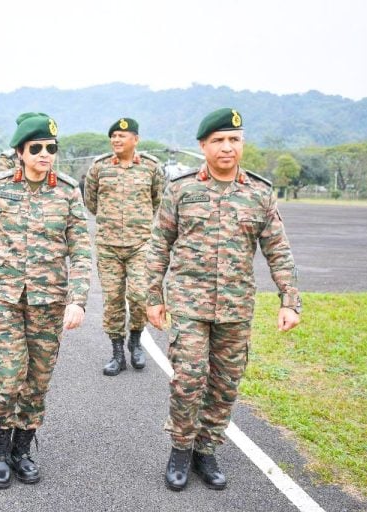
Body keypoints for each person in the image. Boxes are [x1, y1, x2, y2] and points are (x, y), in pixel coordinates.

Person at [145, 108, 301, 491]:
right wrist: (152, 296)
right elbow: (158, 246)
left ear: (242, 144)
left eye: (234, 139)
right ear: (203, 146)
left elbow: (277, 249)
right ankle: (181, 449)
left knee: (224, 385)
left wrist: (289, 300)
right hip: (188, 305)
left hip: (235, 307)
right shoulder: (180, 190)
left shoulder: (260, 193)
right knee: (188, 380)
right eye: (218, 140)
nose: (227, 147)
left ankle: (206, 449)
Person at [0, 112, 91, 489]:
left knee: (37, 382)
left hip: (50, 302)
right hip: (4, 298)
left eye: (51, 148)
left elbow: (80, 251)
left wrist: (77, 300)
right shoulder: (0, 191)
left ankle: (22, 450)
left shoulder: (67, 191)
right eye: (37, 148)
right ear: (21, 152)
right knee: (9, 377)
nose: (45, 154)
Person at [84, 118, 165, 376]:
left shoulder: (151, 168)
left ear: (136, 139)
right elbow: (91, 202)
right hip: (108, 246)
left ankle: (136, 340)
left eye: (122, 135)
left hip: (140, 243)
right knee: (113, 300)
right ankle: (117, 353)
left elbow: (157, 199)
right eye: (113, 136)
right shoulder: (99, 167)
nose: (116, 140)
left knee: (140, 296)